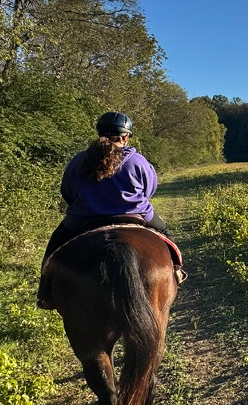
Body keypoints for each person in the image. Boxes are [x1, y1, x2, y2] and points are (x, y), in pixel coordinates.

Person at [36, 111, 186, 310]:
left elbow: (67, 191)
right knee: (166, 235)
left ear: (99, 133)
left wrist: (85, 206)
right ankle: (176, 271)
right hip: (135, 213)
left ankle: (45, 291)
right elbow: (149, 189)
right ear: (125, 137)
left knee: (55, 243)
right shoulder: (137, 161)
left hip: (83, 217)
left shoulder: (79, 161)